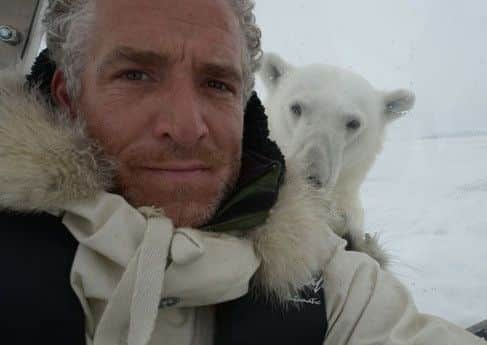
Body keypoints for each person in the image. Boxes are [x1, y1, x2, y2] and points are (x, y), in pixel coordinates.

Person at [0, 0, 484, 344]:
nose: (187, 128)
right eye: (136, 75)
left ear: (244, 104)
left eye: (216, 83)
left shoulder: (332, 285)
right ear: (66, 93)